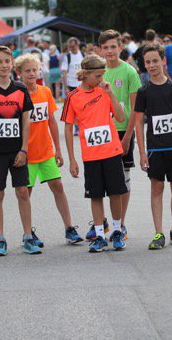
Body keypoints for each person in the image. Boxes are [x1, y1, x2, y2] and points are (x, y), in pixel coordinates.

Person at [0, 46, 41, 256]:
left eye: (6, 61)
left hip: (17, 152)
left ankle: (28, 236)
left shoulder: (20, 90)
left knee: (22, 191)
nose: (3, 65)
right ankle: (0, 239)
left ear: (12, 64)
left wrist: (24, 149)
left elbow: (26, 121)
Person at [61, 54, 128, 253]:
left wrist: (111, 94)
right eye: (98, 76)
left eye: (102, 76)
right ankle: (99, 234)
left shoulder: (105, 91)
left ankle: (117, 231)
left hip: (112, 151)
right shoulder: (73, 97)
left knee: (116, 193)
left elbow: (121, 117)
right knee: (96, 195)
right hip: (91, 156)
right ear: (85, 75)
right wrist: (72, 159)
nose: (101, 80)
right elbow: (67, 128)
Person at [15, 54, 83, 245]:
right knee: (25, 193)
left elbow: (52, 121)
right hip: (26, 154)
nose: (31, 73)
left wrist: (58, 149)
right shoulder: (17, 95)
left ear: (39, 71)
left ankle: (69, 228)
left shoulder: (45, 92)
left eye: (34, 70)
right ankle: (28, 233)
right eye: (27, 70)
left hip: (45, 151)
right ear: (19, 73)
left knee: (58, 187)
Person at [135, 43, 172, 250]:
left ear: (163, 61)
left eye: (155, 61)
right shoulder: (144, 92)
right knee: (156, 188)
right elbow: (139, 123)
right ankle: (158, 233)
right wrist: (142, 152)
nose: (152, 65)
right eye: (148, 62)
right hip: (155, 149)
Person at [97, 29, 142, 241]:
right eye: (105, 47)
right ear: (99, 50)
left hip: (122, 131)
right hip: (102, 131)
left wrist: (127, 137)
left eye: (113, 46)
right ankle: (104, 221)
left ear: (120, 47)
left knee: (123, 179)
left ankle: (121, 224)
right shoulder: (97, 72)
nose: (109, 51)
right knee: (103, 178)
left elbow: (135, 109)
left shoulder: (129, 72)